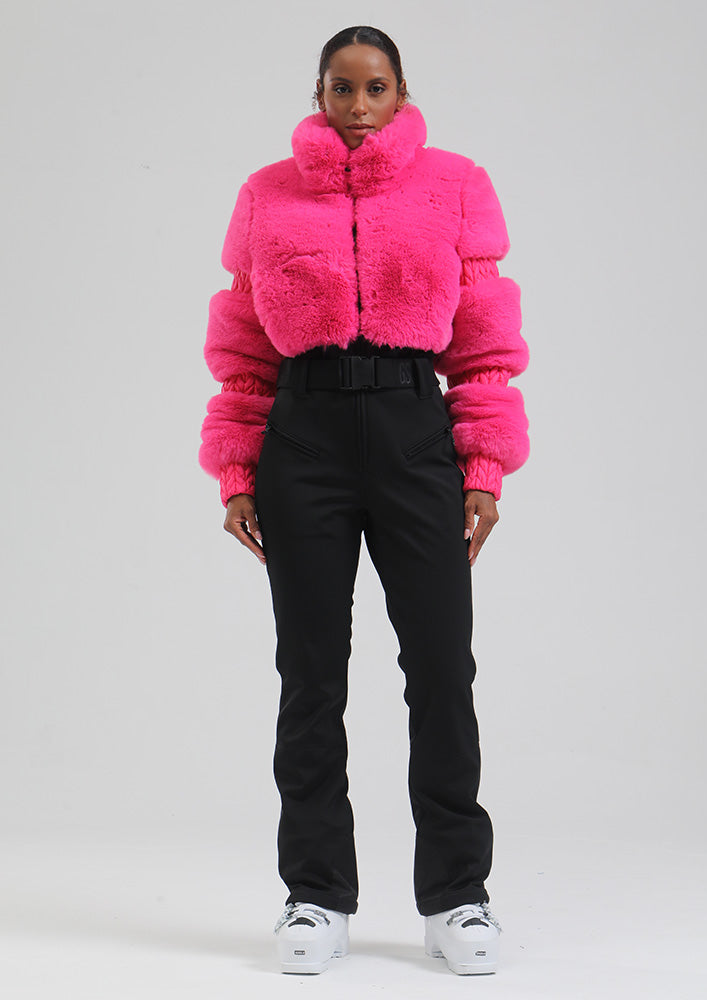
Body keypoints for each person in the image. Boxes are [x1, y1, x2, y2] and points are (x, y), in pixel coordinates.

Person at [198, 25, 530, 977]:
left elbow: (483, 340)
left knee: (442, 668)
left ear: (400, 92)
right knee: (310, 676)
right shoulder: (266, 194)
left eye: (374, 87)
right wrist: (236, 469)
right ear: (319, 94)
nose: (357, 106)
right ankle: (315, 895)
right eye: (340, 88)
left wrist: (483, 464)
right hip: (302, 440)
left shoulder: (455, 185)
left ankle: (458, 896)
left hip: (415, 433)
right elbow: (242, 347)